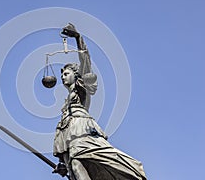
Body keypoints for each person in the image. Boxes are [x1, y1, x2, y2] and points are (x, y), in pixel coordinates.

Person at [52, 23, 147, 180]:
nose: (63, 76)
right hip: (70, 134)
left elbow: (85, 62)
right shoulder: (66, 105)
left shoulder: (81, 90)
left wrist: (78, 38)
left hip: (83, 131)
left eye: (66, 73)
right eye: (62, 75)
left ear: (76, 76)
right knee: (74, 165)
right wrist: (63, 165)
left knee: (77, 161)